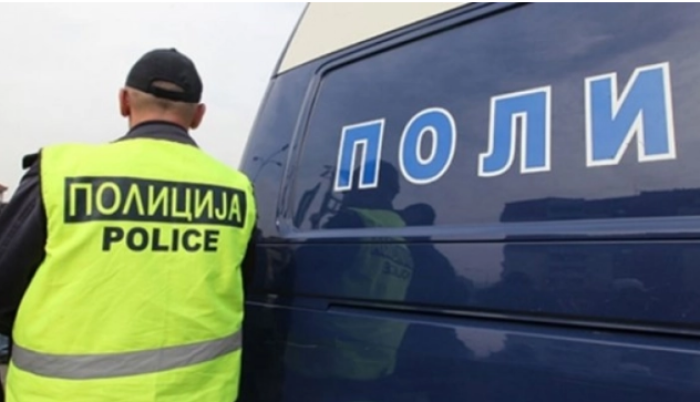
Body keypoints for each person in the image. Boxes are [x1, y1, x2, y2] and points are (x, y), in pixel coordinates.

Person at [0, 48, 257, 402]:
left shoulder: (61, 170)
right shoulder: (237, 189)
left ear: (123, 101)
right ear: (198, 115)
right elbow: (243, 286)